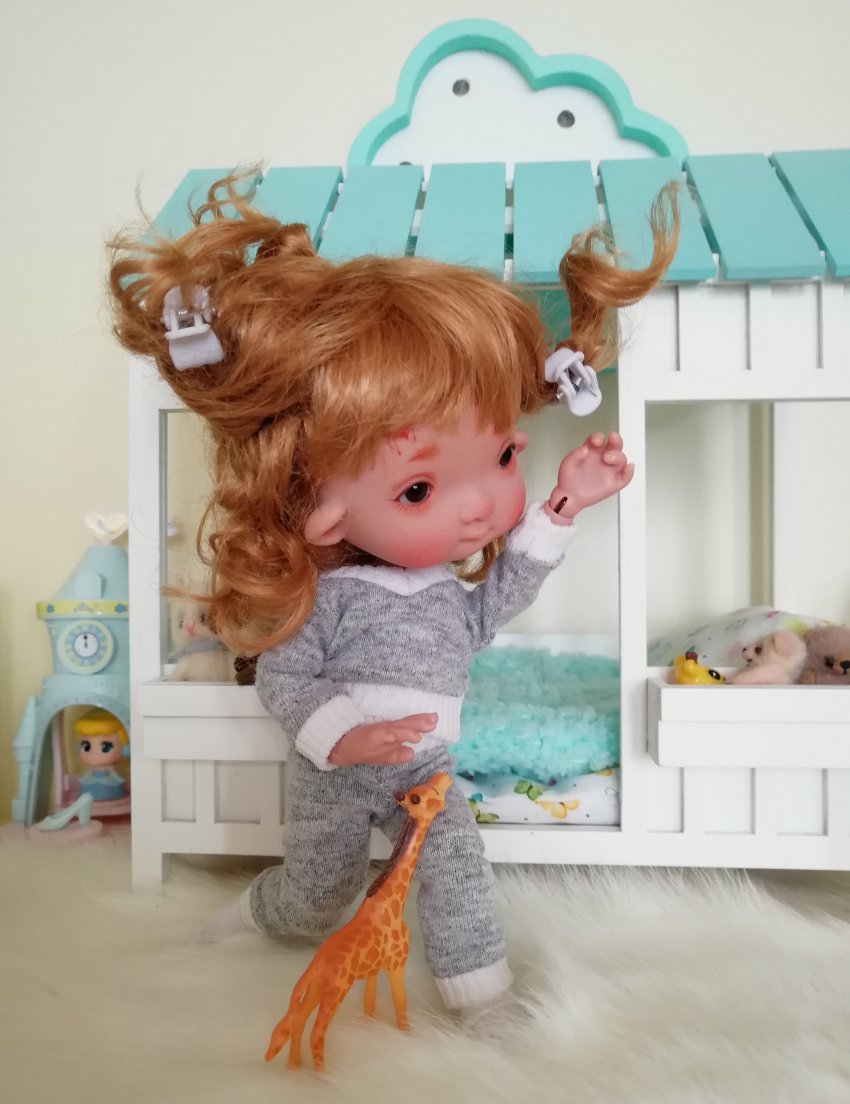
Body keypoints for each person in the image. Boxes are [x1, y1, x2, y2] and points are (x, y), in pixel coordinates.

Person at [109, 172, 677, 1028]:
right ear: (328, 513)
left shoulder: (447, 593)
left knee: (456, 867)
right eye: (418, 489)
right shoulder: (329, 595)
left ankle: (482, 997)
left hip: (424, 770)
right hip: (336, 774)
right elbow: (285, 677)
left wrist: (562, 504)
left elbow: (494, 605)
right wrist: (345, 736)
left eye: (502, 457)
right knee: (318, 897)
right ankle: (255, 913)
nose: (479, 505)